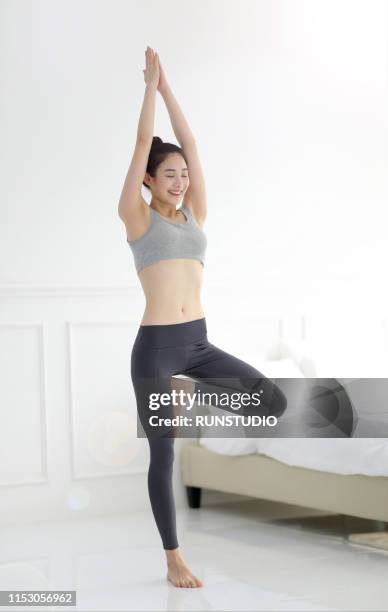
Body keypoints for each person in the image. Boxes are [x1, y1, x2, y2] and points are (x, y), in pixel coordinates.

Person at [118, 46, 287, 588]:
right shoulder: (137, 218)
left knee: (269, 398)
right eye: (169, 175)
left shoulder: (196, 214)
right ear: (148, 179)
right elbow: (144, 143)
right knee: (163, 458)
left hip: (197, 344)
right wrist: (148, 87)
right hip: (157, 348)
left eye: (184, 174)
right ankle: (173, 558)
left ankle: (192, 390)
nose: (181, 180)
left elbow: (190, 143)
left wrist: (170, 87)